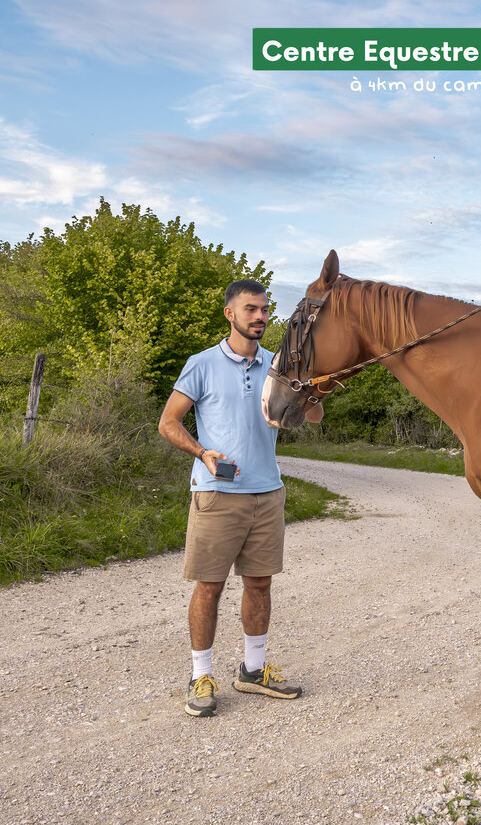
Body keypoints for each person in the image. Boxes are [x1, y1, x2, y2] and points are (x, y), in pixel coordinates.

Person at [158, 278, 323, 717]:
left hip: (267, 492)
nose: (261, 317)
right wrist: (201, 452)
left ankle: (252, 671)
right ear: (230, 313)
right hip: (217, 492)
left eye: (265, 310)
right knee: (209, 587)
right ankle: (200, 676)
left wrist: (312, 395)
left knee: (260, 583)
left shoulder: (279, 364)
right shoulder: (202, 364)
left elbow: (311, 416)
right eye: (251, 309)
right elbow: (168, 423)